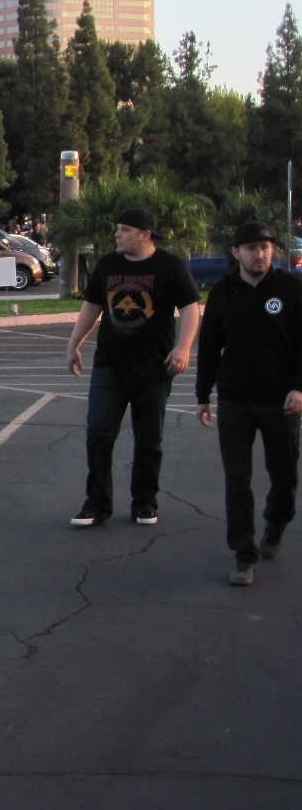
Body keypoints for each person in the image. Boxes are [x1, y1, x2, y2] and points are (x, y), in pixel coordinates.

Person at [66, 207, 201, 527]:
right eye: (118, 228)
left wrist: (183, 348)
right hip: (109, 366)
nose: (117, 234)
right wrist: (74, 344)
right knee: (99, 432)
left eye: (125, 229)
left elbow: (191, 309)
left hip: (154, 369)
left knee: (148, 439)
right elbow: (92, 306)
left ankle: (144, 503)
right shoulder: (108, 265)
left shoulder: (170, 266)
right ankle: (97, 504)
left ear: (145, 235)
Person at [195, 221, 302, 586]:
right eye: (252, 248)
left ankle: (275, 524)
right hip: (235, 400)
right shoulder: (224, 293)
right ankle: (244, 555)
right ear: (236, 253)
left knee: (284, 476)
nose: (260, 254)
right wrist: (202, 396)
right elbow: (209, 346)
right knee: (237, 479)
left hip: (281, 401)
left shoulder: (290, 288)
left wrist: (299, 388)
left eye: (266, 247)